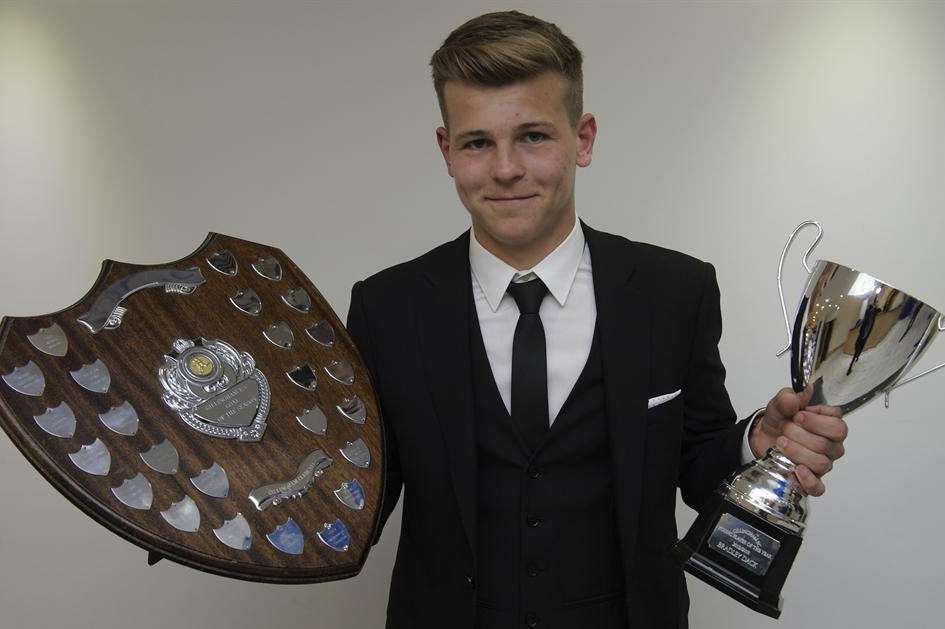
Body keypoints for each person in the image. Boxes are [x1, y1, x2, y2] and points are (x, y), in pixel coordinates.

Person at [345, 10, 848, 629]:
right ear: (448, 152)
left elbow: (697, 465)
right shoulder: (387, 307)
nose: (505, 168)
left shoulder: (675, 291)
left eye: (533, 136)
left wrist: (755, 446)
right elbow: (360, 502)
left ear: (582, 139)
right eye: (478, 142)